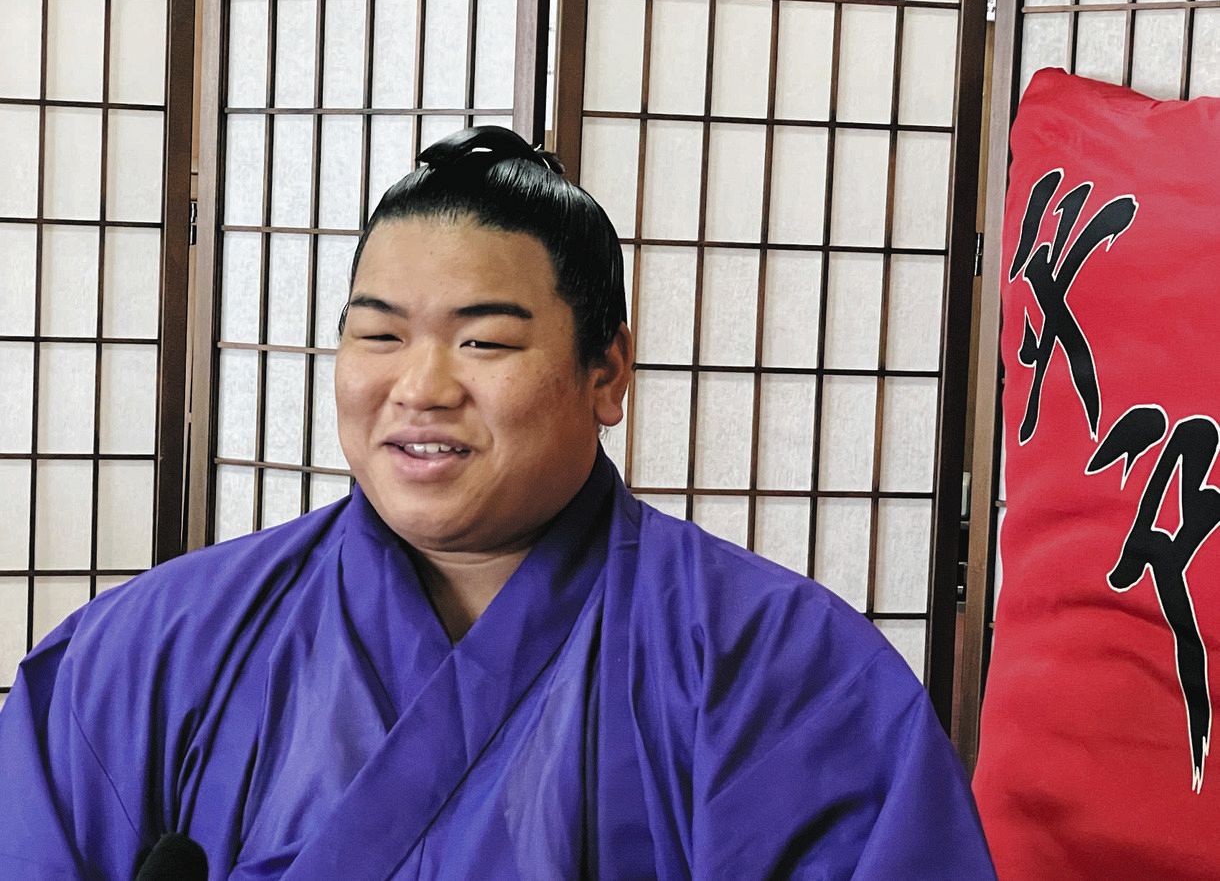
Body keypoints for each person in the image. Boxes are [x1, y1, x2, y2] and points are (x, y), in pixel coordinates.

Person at [0, 126, 994, 878]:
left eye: (484, 341)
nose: (421, 387)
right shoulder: (154, 653)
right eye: (379, 335)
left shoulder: (775, 670)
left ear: (606, 371)